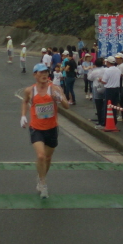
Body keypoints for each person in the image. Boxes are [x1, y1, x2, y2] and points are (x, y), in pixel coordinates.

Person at [20, 63, 70, 199]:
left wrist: (59, 99)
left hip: (52, 128)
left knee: (47, 158)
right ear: (35, 75)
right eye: (41, 72)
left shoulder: (55, 88)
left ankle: (41, 176)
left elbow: (67, 106)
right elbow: (25, 101)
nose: (44, 75)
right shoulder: (30, 90)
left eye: (46, 72)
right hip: (36, 128)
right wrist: (23, 116)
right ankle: (43, 182)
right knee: (41, 156)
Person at [89, 58, 107, 128]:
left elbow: (89, 78)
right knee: (104, 105)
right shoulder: (106, 70)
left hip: (96, 87)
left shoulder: (94, 71)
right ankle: (104, 120)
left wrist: (90, 70)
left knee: (98, 105)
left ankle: (100, 121)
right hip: (104, 87)